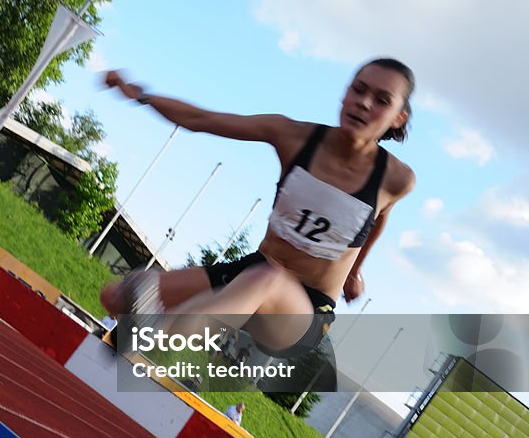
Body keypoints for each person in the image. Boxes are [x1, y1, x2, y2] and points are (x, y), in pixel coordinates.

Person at [100, 59, 417, 381]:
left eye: (381, 100)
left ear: (397, 118)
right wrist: (139, 95)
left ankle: (157, 338)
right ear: (345, 94)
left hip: (304, 313)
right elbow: (202, 119)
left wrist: (355, 270)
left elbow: (378, 219)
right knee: (117, 297)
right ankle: (155, 346)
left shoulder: (396, 179)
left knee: (269, 279)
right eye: (358, 90)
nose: (364, 103)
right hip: (248, 273)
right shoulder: (293, 136)